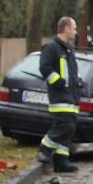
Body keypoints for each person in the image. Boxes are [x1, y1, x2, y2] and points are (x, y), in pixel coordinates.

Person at [36, 16, 82, 173]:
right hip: (60, 96)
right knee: (64, 125)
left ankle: (61, 161)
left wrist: (78, 83)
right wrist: (59, 82)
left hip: (71, 97)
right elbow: (45, 68)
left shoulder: (68, 50)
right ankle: (44, 148)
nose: (75, 32)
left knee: (69, 130)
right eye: (74, 28)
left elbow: (72, 73)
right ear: (67, 28)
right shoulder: (52, 47)